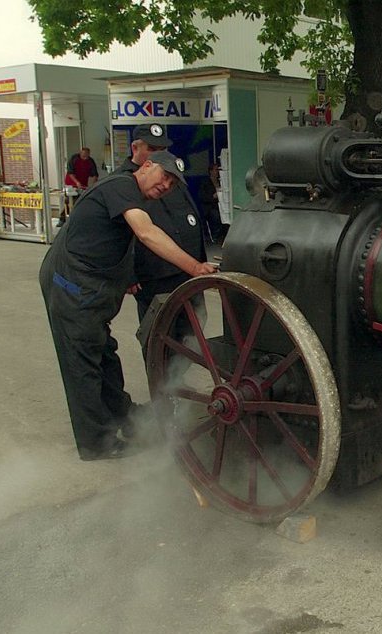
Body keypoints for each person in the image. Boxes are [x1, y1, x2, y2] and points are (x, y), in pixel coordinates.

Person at [39, 150, 216, 461]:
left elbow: (112, 240)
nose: (166, 187)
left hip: (91, 290)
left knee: (104, 354)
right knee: (82, 363)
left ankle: (125, 418)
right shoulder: (122, 186)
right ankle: (96, 442)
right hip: (71, 288)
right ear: (146, 166)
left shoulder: (128, 195)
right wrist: (195, 267)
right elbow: (146, 233)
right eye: (165, 178)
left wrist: (127, 276)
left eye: (173, 184)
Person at [116, 124, 207, 325]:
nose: (158, 154)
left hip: (186, 269)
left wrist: (199, 260)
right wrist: (128, 274)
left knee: (192, 326)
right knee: (159, 328)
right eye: (152, 149)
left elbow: (187, 213)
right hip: (155, 273)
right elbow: (123, 234)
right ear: (135, 148)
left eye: (161, 149)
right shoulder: (122, 182)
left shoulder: (169, 174)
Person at [61, 147, 99, 225]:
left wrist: (93, 185)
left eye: (87, 156)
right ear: (80, 153)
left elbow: (95, 174)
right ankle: (62, 219)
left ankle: (78, 219)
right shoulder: (74, 159)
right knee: (70, 201)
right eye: (83, 156)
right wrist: (77, 182)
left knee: (81, 200)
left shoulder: (90, 161)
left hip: (83, 184)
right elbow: (70, 173)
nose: (85, 158)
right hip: (71, 183)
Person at [197, 162, 226, 244]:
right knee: (215, 215)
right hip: (210, 206)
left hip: (222, 205)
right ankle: (216, 236)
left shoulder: (222, 182)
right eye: (216, 170)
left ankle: (224, 236)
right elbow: (201, 196)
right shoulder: (205, 183)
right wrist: (213, 197)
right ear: (211, 171)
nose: (217, 172)